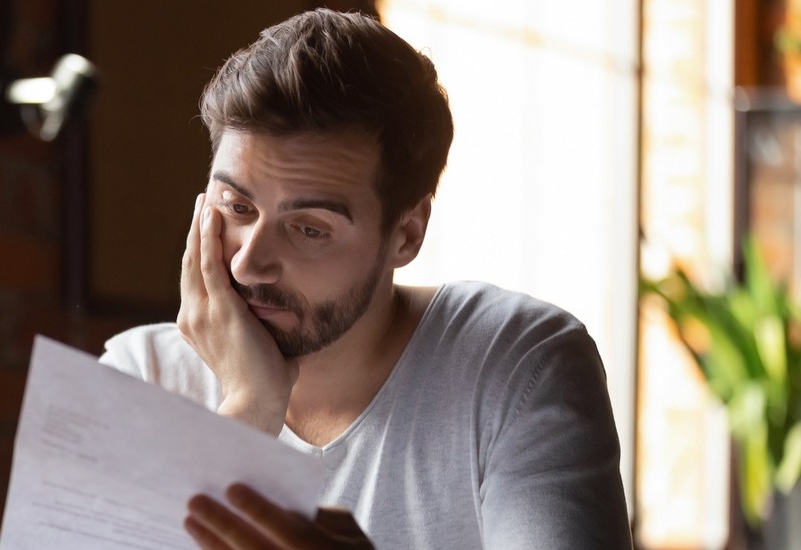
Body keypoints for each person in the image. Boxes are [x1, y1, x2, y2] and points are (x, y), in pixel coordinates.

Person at [98, 8, 632, 549]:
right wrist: (249, 408)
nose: (246, 264)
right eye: (236, 207)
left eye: (309, 229)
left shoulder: (518, 363)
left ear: (406, 235)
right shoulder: (141, 376)